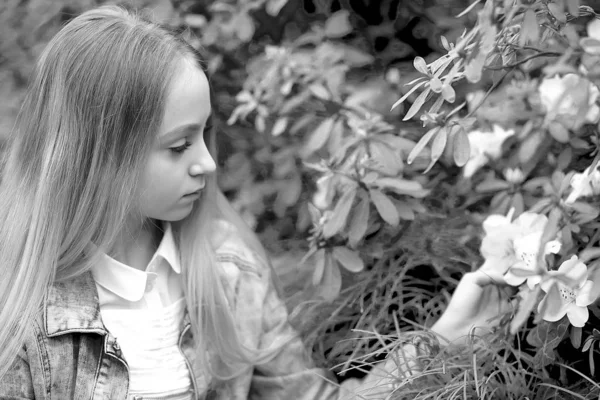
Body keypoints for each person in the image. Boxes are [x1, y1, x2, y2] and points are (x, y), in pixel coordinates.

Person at [0, 6, 512, 400]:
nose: (207, 163)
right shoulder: (19, 318)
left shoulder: (226, 270)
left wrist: (444, 336)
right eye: (178, 146)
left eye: (204, 135)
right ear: (99, 154)